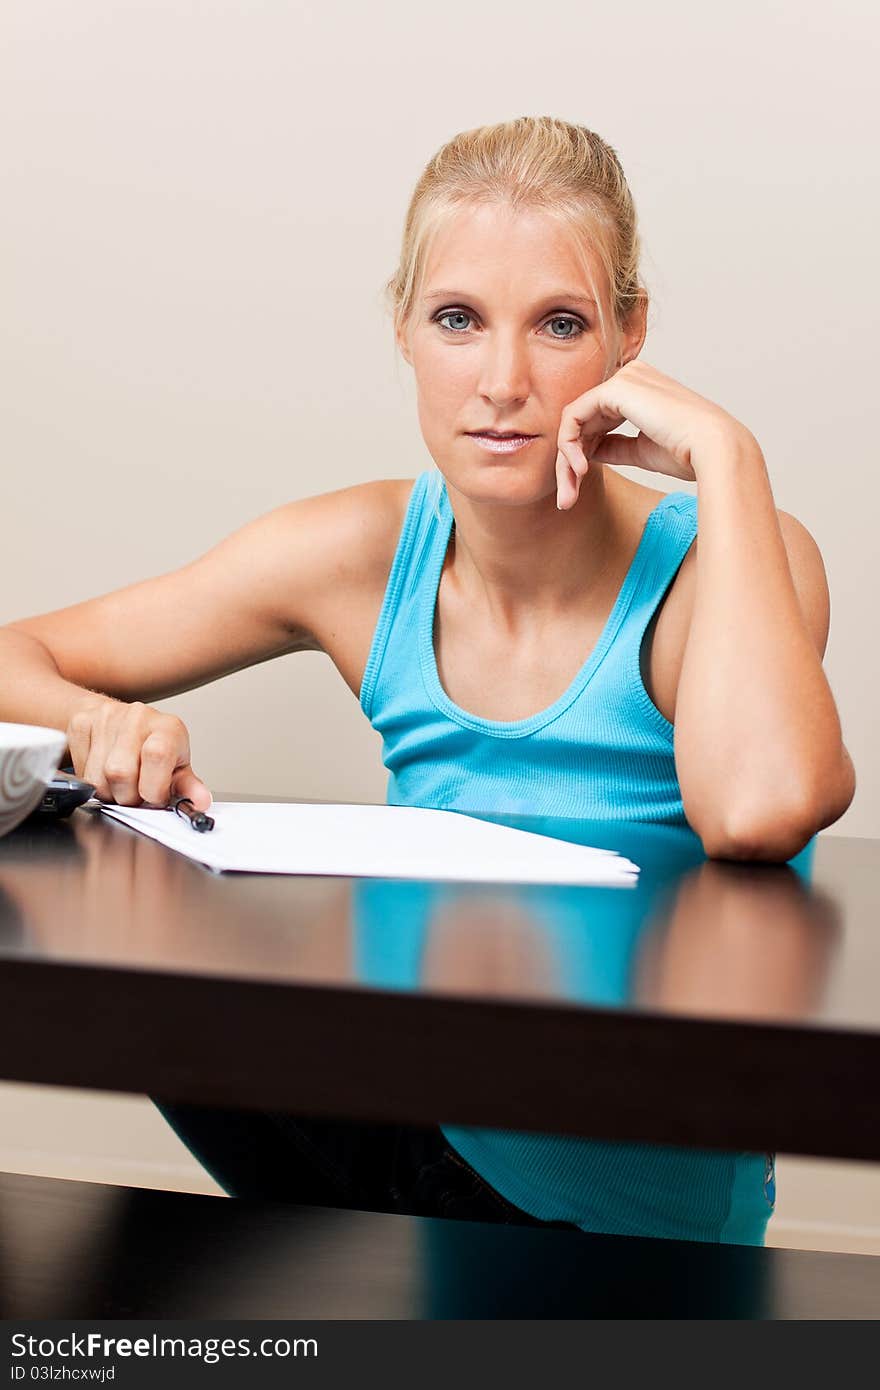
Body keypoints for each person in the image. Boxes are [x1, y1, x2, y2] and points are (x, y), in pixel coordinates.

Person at [0, 116, 855, 1243]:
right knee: (116, 922)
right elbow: (18, 657)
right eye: (458, 319)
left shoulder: (737, 556)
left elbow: (759, 810)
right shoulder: (361, 553)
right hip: (394, 1131)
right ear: (404, 329)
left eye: (559, 324)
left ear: (628, 339)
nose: (502, 380)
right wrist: (96, 719)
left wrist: (728, 460)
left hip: (602, 1225)